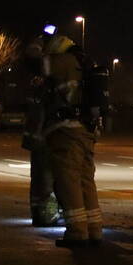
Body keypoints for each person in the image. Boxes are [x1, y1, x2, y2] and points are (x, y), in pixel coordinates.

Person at [42, 34, 103, 247]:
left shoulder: (63, 61)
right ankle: (94, 229)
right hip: (87, 130)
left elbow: (38, 65)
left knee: (69, 181)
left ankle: (77, 231)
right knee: (87, 179)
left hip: (66, 131)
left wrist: (36, 44)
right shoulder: (85, 64)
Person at [21, 33, 60, 226]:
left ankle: (40, 213)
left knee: (39, 179)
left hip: (38, 137)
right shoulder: (48, 81)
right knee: (46, 179)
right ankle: (46, 215)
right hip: (46, 138)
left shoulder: (38, 83)